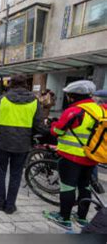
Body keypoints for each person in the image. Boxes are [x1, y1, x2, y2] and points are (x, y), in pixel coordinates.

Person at [43, 80, 101, 230]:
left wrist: (54, 125)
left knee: (67, 187)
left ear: (72, 96)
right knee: (85, 186)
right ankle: (82, 218)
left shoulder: (74, 111)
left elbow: (57, 131)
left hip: (72, 157)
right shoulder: (101, 110)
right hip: (92, 157)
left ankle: (64, 218)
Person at [0, 74, 46, 215]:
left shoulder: (2, 99)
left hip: (3, 142)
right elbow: (39, 126)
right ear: (26, 84)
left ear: (11, 84)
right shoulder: (34, 101)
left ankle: (0, 203)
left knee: (0, 174)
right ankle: (10, 206)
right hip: (23, 144)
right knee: (16, 175)